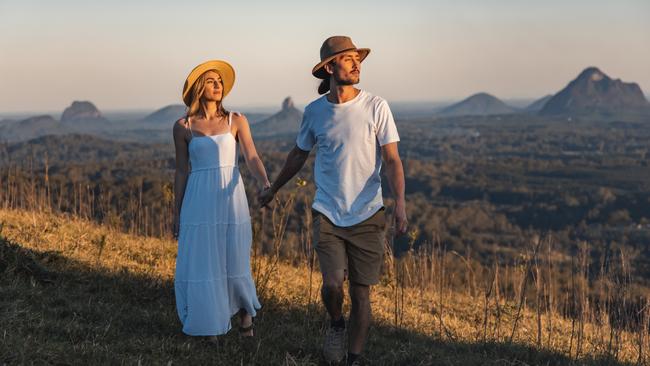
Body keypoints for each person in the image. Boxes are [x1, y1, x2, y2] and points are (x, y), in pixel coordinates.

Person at [258, 36, 408, 365]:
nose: (356, 64)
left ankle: (352, 359)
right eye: (348, 58)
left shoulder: (376, 106)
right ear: (330, 67)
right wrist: (274, 189)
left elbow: (393, 159)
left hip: (368, 213)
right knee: (331, 285)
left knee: (360, 293)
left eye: (358, 59)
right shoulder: (314, 112)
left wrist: (400, 203)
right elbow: (298, 155)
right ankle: (336, 323)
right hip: (327, 211)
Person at [172, 60, 270, 338]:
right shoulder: (183, 126)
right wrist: (176, 212)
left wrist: (265, 182)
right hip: (198, 198)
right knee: (205, 259)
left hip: (231, 194)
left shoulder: (236, 120)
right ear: (199, 87)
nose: (217, 85)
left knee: (235, 257)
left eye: (220, 81)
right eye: (211, 81)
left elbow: (251, 156)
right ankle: (210, 322)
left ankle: (246, 320)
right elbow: (181, 170)